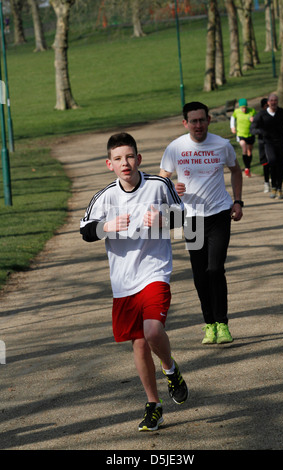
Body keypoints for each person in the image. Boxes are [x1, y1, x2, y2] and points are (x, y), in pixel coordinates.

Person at [80, 132, 188, 432]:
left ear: (138, 159)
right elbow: (85, 230)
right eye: (118, 159)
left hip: (155, 271)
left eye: (129, 156)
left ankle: (170, 369)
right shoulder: (105, 197)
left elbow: (184, 219)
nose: (124, 163)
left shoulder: (159, 185)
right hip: (123, 282)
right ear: (109, 164)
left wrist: (165, 221)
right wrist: (106, 226)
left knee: (153, 330)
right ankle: (154, 406)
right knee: (139, 345)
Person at [159, 102, 243, 345]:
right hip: (191, 218)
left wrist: (238, 201)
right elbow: (162, 179)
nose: (198, 125)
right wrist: (172, 187)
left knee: (215, 269)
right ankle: (209, 324)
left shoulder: (222, 145)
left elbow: (235, 170)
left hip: (219, 214)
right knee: (199, 274)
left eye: (201, 120)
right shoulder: (176, 147)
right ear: (185, 123)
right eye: (193, 121)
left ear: (208, 120)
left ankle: (222, 323)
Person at [251, 93, 283, 200]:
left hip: (281, 142)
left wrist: (282, 128)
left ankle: (279, 189)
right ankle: (273, 186)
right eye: (271, 101)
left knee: (280, 165)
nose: (273, 102)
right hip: (268, 143)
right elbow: (253, 129)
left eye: (275, 100)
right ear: (268, 102)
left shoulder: (282, 113)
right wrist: (262, 131)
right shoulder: (262, 114)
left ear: (277, 102)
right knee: (272, 162)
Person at [230, 98, 256, 177]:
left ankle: (248, 167)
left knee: (249, 151)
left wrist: (253, 120)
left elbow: (258, 119)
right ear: (240, 107)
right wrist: (232, 127)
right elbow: (232, 118)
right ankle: (246, 169)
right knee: (244, 149)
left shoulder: (252, 111)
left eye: (245, 107)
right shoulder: (236, 112)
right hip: (240, 133)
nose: (244, 109)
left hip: (250, 134)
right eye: (242, 107)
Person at [257, 98, 271, 193]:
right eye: (266, 106)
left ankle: (274, 182)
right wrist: (262, 131)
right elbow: (253, 129)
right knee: (265, 164)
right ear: (263, 107)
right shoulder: (259, 116)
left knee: (273, 162)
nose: (268, 108)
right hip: (262, 142)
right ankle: (266, 183)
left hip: (273, 143)